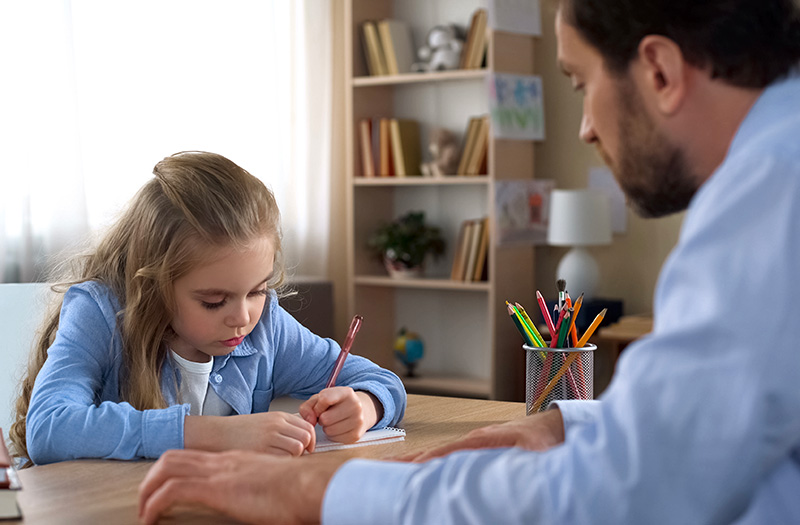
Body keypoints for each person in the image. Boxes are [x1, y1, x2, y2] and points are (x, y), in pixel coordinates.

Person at [138, 1, 800, 523]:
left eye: (579, 82)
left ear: (658, 70)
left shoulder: (771, 193)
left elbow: (617, 495)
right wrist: (567, 422)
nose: (585, 129)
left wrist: (323, 490)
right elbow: (716, 427)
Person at [10, 151, 406, 466]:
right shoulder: (100, 312)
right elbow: (48, 429)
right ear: (154, 287)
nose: (242, 317)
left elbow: (383, 382)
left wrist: (365, 408)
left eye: (258, 290)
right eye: (214, 301)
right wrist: (216, 434)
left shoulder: (265, 324)